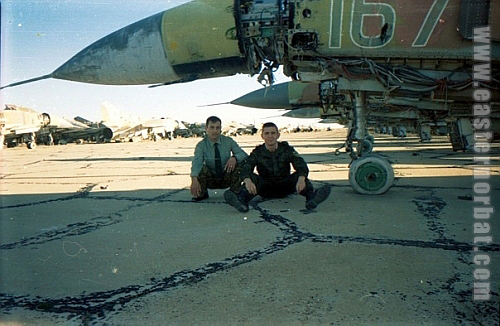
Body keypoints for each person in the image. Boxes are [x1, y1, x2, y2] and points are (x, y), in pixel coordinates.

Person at [224, 122, 330, 212]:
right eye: (267, 133)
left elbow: (300, 164)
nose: (270, 136)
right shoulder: (258, 152)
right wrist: (247, 180)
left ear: (278, 135)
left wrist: (301, 178)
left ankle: (312, 198)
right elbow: (247, 167)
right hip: (265, 187)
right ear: (262, 136)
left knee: (299, 175)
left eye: (273, 133)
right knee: (250, 177)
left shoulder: (286, 149)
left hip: (285, 186)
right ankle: (241, 201)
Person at [190, 116, 248, 201]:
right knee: (201, 168)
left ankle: (234, 192)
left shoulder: (228, 141)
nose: (215, 131)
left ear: (221, 129)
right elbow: (196, 163)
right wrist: (194, 180)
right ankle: (202, 193)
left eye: (217, 128)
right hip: (211, 179)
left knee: (241, 164)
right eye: (212, 127)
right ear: (206, 128)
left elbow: (243, 154)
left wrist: (234, 158)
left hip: (226, 176)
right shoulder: (201, 145)